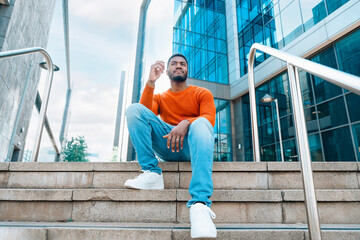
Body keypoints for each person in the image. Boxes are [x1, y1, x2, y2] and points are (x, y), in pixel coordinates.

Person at [125, 53, 217, 238]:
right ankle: (151, 173)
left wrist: (186, 123)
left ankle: (200, 205)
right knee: (134, 109)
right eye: (174, 64)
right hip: (168, 145)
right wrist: (151, 82)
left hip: (193, 148)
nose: (179, 66)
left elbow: (209, 119)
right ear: (167, 71)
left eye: (183, 64)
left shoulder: (202, 93)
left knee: (201, 123)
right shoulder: (160, 97)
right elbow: (142, 115)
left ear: (187, 70)